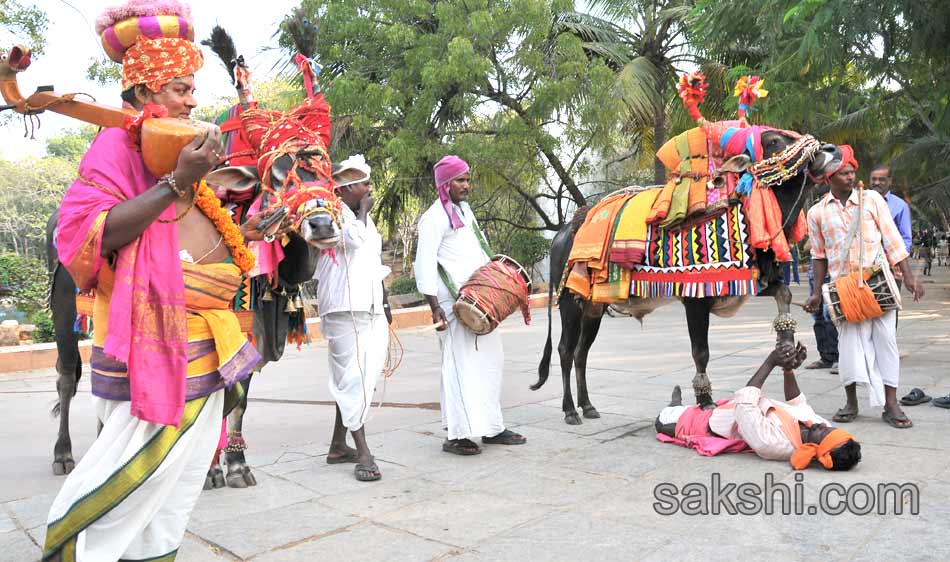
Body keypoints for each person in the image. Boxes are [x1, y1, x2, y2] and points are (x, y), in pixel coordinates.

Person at [43, 3, 274, 559]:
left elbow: (187, 239)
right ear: (145, 93)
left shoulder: (176, 158)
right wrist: (176, 182)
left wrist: (244, 226)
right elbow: (81, 236)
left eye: (193, 88)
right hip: (154, 356)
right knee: (122, 492)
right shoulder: (115, 151)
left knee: (172, 500)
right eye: (179, 88)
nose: (192, 100)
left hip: (208, 351)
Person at [804, 145, 925, 429]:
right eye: (843, 173)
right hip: (845, 289)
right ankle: (851, 402)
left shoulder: (871, 200)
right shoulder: (816, 213)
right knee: (848, 349)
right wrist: (816, 293)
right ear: (828, 178)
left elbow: (893, 240)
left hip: (877, 284)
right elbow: (818, 256)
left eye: (851, 171)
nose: (850, 176)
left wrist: (908, 278)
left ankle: (891, 404)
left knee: (887, 343)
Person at [414, 155, 526, 455]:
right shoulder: (434, 218)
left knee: (490, 363)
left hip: (481, 302)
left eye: (468, 179)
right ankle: (456, 434)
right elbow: (423, 263)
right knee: (457, 366)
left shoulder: (464, 211)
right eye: (461, 180)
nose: (467, 185)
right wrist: (434, 306)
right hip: (453, 305)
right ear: (445, 184)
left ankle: (491, 427)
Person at [655, 341, 862, 470]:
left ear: (815, 448)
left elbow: (745, 404)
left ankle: (675, 405)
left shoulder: (773, 445)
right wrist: (788, 370)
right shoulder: (817, 426)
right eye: (829, 428)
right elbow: (798, 403)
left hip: (708, 425)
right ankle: (679, 405)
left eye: (823, 433)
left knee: (661, 421)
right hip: (724, 410)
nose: (821, 426)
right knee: (694, 410)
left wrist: (771, 361)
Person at [314, 155, 392, 482]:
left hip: (369, 304)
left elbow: (371, 259)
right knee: (353, 379)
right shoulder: (326, 212)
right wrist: (363, 212)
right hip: (343, 306)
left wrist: (385, 299)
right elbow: (350, 240)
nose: (369, 188)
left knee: (358, 378)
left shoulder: (363, 218)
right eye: (363, 183)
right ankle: (363, 452)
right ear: (346, 187)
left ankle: (337, 445)